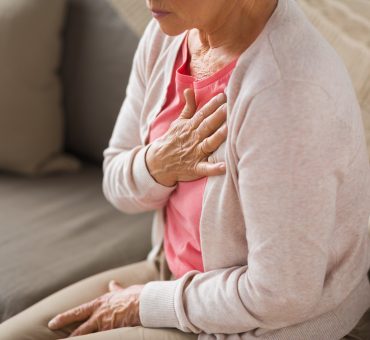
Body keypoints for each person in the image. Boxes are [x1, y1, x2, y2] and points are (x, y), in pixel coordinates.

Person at [1, 0, 369, 339]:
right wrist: (160, 163)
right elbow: (115, 179)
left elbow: (283, 295)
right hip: (174, 276)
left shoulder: (287, 92)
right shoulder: (169, 35)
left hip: (259, 326)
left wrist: (143, 304)